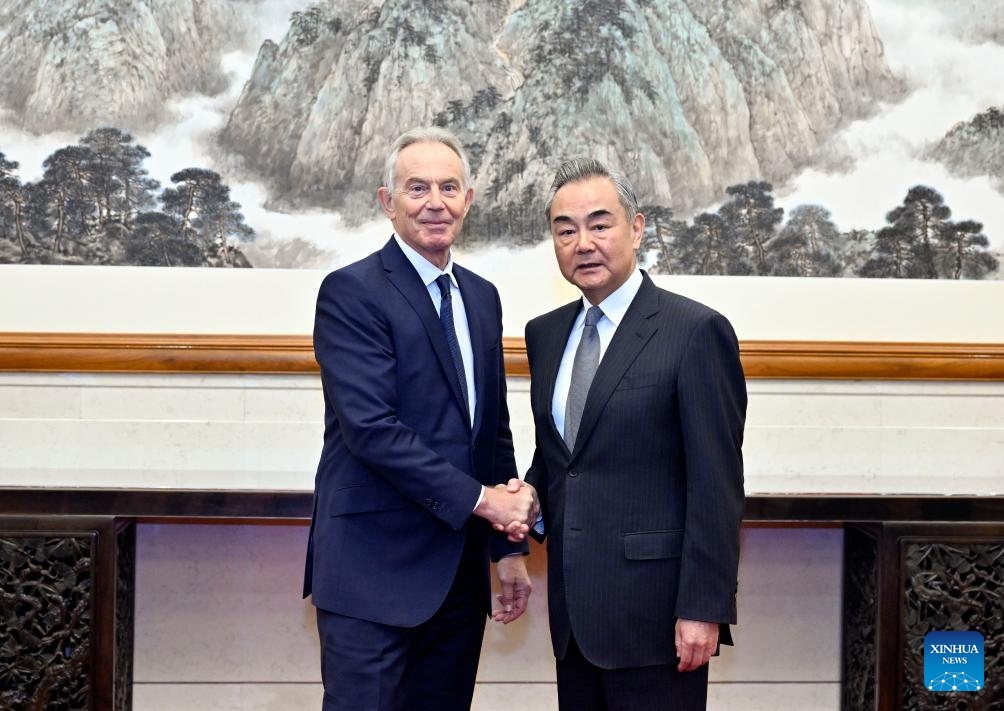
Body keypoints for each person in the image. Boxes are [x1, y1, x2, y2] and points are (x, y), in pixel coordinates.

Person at [303, 127, 537, 711]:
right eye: (417, 187)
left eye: (449, 187)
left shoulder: (481, 297)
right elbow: (371, 429)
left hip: (457, 580)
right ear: (388, 201)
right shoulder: (351, 291)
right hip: (371, 574)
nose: (436, 201)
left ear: (469, 199)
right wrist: (486, 502)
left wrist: (506, 551)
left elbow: (491, 433)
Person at [523, 158, 746, 710]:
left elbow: (716, 485)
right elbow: (560, 460)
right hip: (574, 619)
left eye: (600, 225)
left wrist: (704, 607)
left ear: (637, 228)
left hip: (658, 621)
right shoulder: (546, 335)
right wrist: (522, 508)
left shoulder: (695, 332)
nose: (583, 243)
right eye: (565, 229)